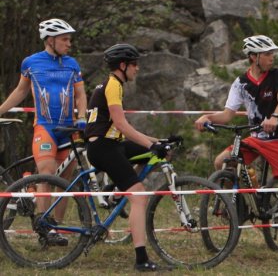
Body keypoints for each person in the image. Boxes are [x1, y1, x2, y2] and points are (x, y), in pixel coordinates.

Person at [193, 35, 278, 262]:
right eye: (267, 54)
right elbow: (227, 115)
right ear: (253, 57)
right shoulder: (241, 82)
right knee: (221, 162)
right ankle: (243, 201)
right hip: (255, 138)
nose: (272, 57)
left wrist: (275, 117)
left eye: (272, 53)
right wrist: (207, 117)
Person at [0, 18, 87, 245]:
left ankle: (56, 229)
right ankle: (44, 227)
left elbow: (80, 95)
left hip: (68, 128)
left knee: (65, 181)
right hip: (45, 127)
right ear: (50, 40)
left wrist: (82, 117)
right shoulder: (31, 62)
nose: (69, 44)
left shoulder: (72, 64)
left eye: (69, 39)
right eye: (64, 39)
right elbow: (20, 91)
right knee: (47, 173)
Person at [85, 43, 170, 272]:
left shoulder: (112, 84)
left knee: (148, 154)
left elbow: (123, 130)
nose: (137, 68)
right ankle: (141, 260)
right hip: (103, 148)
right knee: (139, 197)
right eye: (134, 64)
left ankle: (116, 191)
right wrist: (152, 144)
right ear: (122, 65)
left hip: (111, 144)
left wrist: (158, 141)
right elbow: (122, 124)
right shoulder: (113, 85)